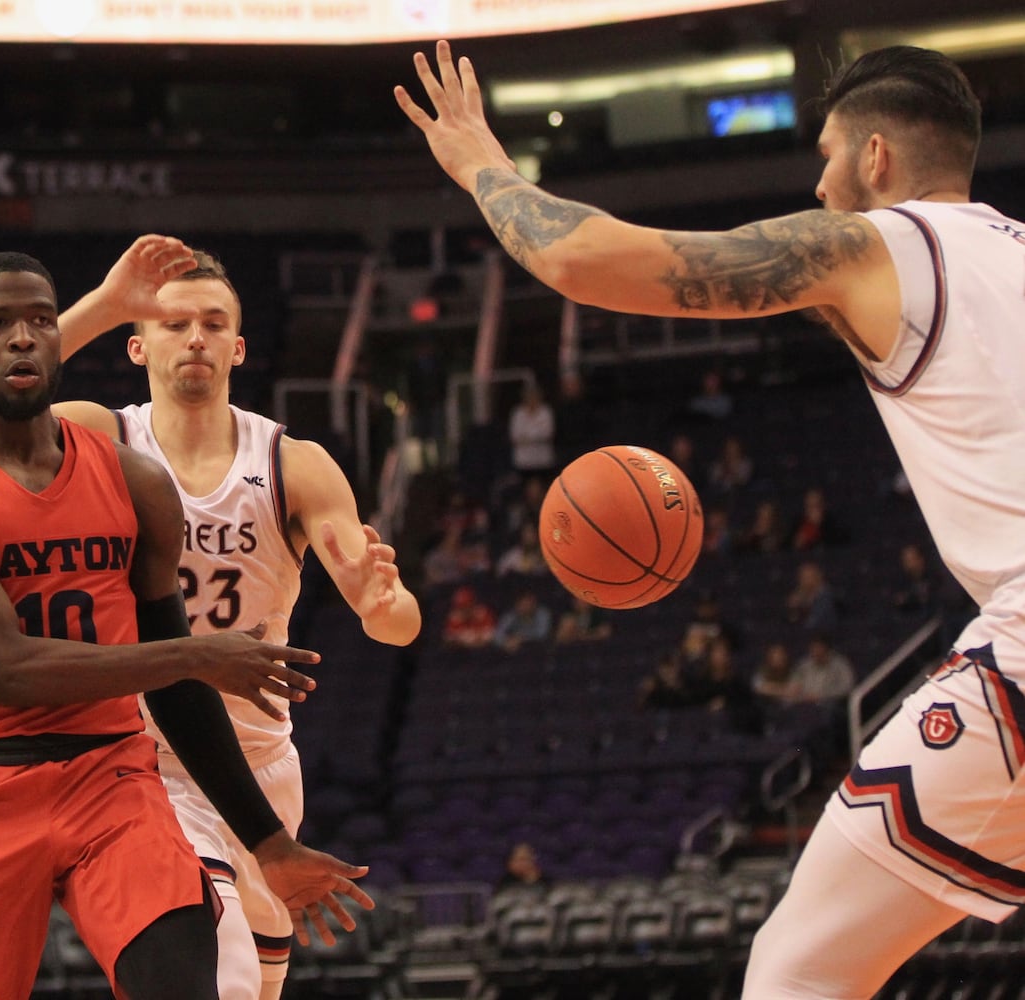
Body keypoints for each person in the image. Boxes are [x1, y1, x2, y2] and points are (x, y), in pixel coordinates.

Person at [398, 39, 1025, 996]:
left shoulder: (875, 245)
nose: (817, 183)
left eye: (826, 155)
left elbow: (588, 259)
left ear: (877, 159)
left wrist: (480, 163)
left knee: (794, 974)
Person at [0, 251, 374, 1000]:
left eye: (41, 321)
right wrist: (193, 655)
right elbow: (7, 671)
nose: (23, 339)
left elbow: (177, 695)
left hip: (113, 777)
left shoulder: (134, 481)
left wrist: (269, 843)